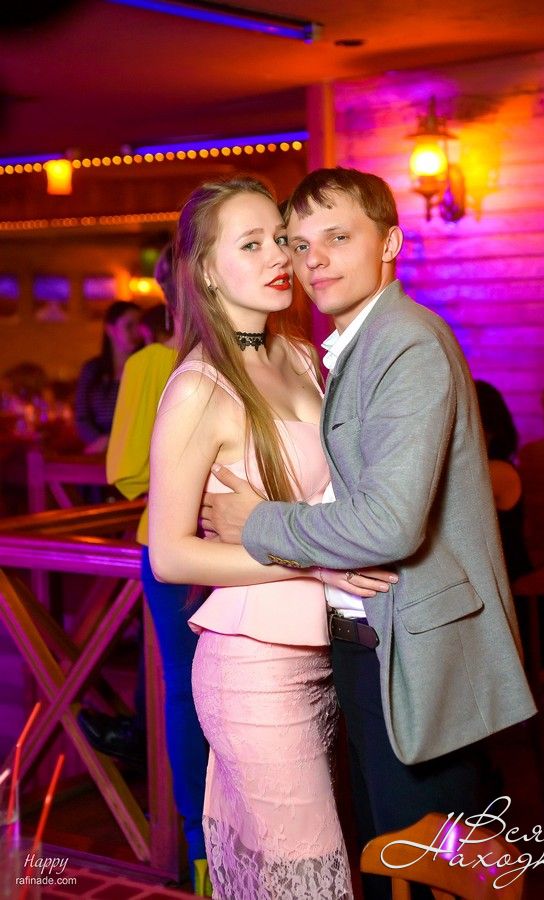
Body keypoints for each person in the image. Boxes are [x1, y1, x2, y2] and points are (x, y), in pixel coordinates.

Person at [201, 167, 537, 900]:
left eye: (338, 237)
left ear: (389, 244)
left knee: (430, 874)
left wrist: (257, 521)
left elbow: (388, 523)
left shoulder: (405, 343)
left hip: (413, 652)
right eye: (299, 243)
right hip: (374, 647)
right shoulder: (355, 345)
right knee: (397, 863)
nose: (312, 259)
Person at [148, 176, 391, 899]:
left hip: (324, 652)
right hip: (253, 668)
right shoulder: (199, 386)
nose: (281, 256)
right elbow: (170, 555)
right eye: (251, 244)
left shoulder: (300, 357)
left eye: (280, 238)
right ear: (205, 270)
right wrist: (317, 566)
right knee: (312, 877)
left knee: (310, 869)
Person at [78, 246, 211, 893]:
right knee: (224, 695)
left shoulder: (154, 364)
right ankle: (226, 847)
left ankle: (202, 854)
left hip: (175, 549)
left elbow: (126, 472)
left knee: (189, 693)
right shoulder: (238, 359)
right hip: (233, 547)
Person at [475, 379, 544, 669]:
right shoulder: (488, 469)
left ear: (490, 429)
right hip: (498, 596)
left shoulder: (498, 471)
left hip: (515, 605)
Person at [74, 300, 142, 454]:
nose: (136, 332)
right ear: (110, 329)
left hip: (134, 449)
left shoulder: (145, 367)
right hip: (99, 449)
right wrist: (102, 441)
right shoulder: (93, 369)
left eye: (139, 326)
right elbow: (82, 417)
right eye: (129, 326)